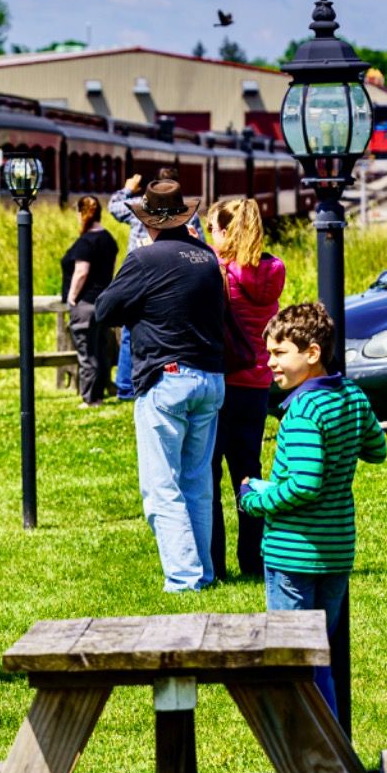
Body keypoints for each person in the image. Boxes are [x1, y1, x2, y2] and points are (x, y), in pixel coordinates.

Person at [237, 302, 387, 713]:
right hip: (335, 552)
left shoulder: (303, 411)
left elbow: (304, 485)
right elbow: (377, 449)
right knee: (317, 653)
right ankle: (331, 744)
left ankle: (310, 755)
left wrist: (254, 499)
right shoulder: (352, 395)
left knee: (292, 659)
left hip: (293, 553)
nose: (270, 363)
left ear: (313, 353)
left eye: (280, 353)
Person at [94, 178, 227, 592]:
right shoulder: (205, 256)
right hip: (210, 376)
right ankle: (203, 570)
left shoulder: (144, 259)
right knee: (197, 482)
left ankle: (184, 578)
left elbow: (105, 309)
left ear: (148, 220)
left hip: (166, 377)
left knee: (161, 487)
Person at [206, 198, 286, 578]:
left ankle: (215, 563)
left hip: (224, 379)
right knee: (248, 473)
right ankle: (253, 560)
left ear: (226, 231)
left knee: (209, 473)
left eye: (212, 230)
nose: (210, 237)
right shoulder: (273, 269)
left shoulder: (219, 270)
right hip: (257, 381)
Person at [109, 168, 198, 401]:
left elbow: (114, 206)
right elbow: (198, 245)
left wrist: (128, 188)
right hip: (170, 276)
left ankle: (125, 385)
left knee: (130, 331)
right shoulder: (187, 213)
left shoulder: (137, 205)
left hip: (136, 276)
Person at [61, 195, 119, 407]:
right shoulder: (108, 239)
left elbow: (81, 272)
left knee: (86, 352)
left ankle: (90, 398)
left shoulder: (86, 242)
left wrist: (72, 297)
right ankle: (101, 392)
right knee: (100, 348)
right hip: (103, 302)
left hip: (85, 303)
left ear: (81, 213)